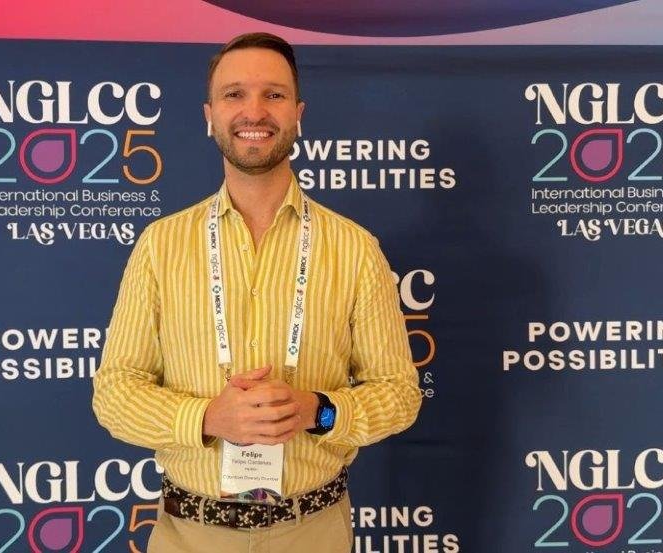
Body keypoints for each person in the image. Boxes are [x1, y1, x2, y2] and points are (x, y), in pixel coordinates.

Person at [92, 32, 422, 552]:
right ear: (209, 115)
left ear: (298, 113)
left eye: (274, 94)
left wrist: (319, 411)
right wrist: (206, 418)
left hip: (312, 531)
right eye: (234, 94)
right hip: (190, 535)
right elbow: (114, 393)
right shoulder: (161, 245)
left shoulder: (355, 248)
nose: (254, 111)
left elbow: (399, 394)